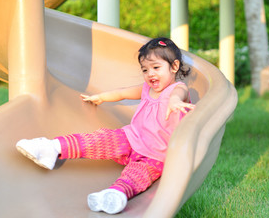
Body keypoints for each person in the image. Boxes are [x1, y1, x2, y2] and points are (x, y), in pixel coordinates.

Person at [16, 37, 195, 215]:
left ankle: (115, 194)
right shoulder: (146, 88)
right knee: (101, 139)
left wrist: (174, 102)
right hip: (131, 138)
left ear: (174, 66)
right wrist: (101, 97)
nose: (150, 74)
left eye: (156, 68)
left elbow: (179, 94)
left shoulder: (177, 89)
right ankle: (52, 147)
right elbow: (122, 92)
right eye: (145, 70)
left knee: (136, 175)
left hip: (155, 156)